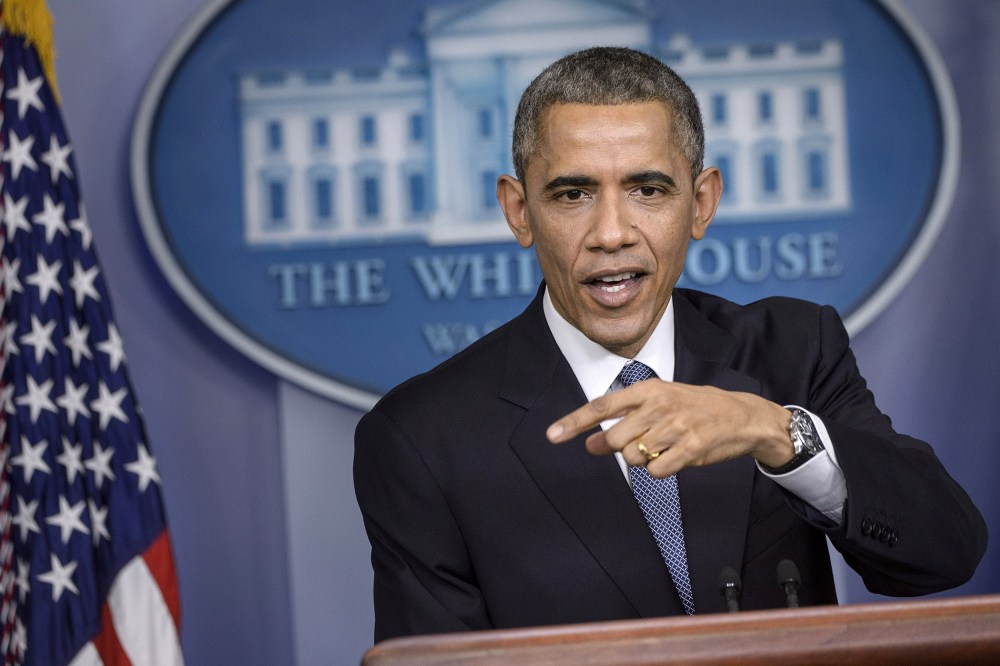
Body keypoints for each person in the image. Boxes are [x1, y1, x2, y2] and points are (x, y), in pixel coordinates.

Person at [353, 46, 987, 642]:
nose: (611, 233)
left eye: (647, 190)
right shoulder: (420, 438)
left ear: (701, 202)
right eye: (573, 194)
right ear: (519, 212)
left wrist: (778, 431)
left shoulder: (792, 351)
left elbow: (945, 553)